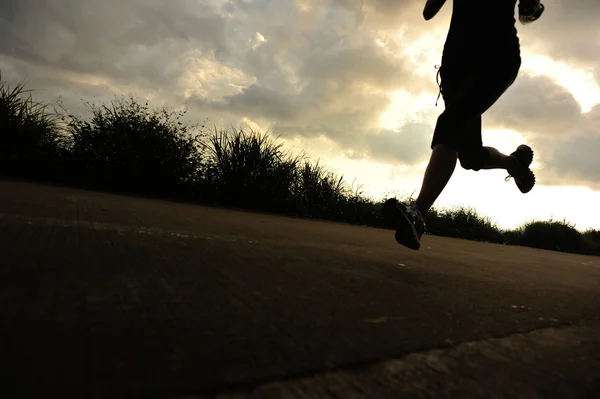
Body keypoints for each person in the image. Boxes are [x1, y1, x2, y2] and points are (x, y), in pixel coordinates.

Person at [382, 0, 545, 250]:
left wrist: (533, 5)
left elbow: (527, 14)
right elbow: (428, 11)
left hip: (496, 60)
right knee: (469, 156)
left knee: (450, 123)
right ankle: (514, 164)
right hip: (456, 65)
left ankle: (417, 213)